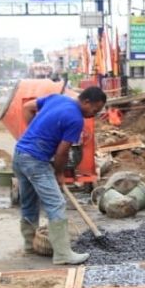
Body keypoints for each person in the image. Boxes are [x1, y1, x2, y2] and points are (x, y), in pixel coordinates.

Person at [13, 86, 108, 264]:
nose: (94, 114)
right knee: (56, 204)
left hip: (19, 155)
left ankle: (29, 245)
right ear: (86, 102)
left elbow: (28, 108)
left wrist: (32, 133)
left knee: (29, 201)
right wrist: (59, 173)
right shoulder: (75, 119)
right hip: (35, 161)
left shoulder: (58, 98)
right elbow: (62, 152)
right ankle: (63, 254)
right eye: (95, 110)